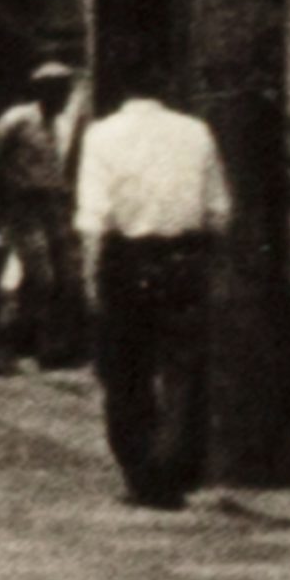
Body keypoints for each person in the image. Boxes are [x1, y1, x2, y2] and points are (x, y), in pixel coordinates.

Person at [75, 69, 230, 511]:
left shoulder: (101, 135)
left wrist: (90, 278)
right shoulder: (196, 132)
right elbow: (219, 211)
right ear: (167, 87)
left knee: (126, 373)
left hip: (126, 262)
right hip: (184, 260)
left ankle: (142, 472)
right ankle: (174, 466)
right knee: (184, 366)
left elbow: (93, 218)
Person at [0, 58, 86, 370]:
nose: (65, 98)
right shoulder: (17, 119)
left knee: (66, 274)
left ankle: (52, 344)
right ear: (44, 91)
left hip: (55, 203)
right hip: (24, 204)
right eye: (60, 91)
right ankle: (25, 339)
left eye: (68, 91)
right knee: (40, 273)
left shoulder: (60, 125)